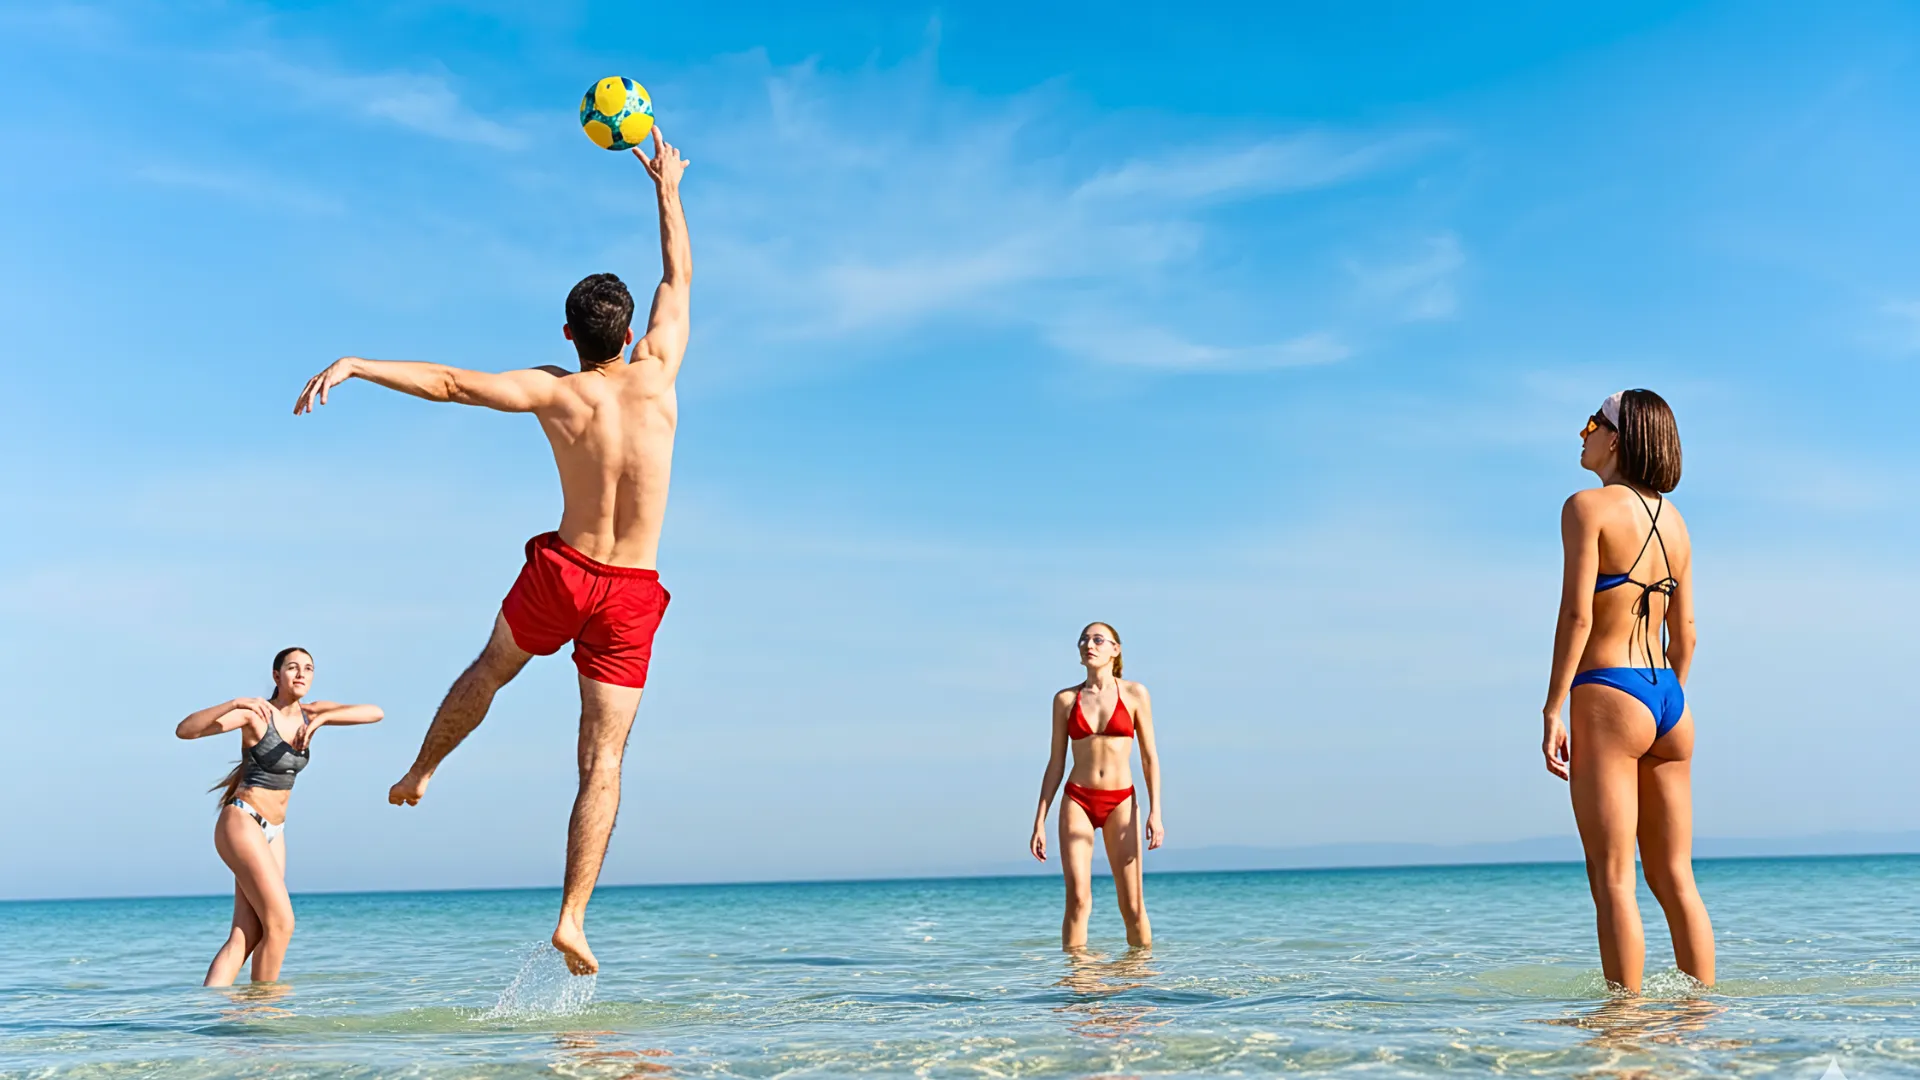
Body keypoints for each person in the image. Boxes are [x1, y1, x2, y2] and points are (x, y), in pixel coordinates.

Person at [291, 131, 692, 976]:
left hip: (565, 572)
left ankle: (422, 770)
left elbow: (450, 383)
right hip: (629, 591)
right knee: (604, 757)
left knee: (491, 669)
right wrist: (667, 187)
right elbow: (678, 277)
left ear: (568, 332)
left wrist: (359, 364)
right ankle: (573, 918)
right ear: (628, 331)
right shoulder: (658, 372)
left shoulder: (555, 391)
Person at [1540, 389, 1714, 994]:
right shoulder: (1678, 524)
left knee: (1613, 879)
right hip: (1669, 700)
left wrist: (1553, 706)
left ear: (1617, 438)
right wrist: (1663, 702)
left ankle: (1623, 1034)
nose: (1581, 433)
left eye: (1591, 423)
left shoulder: (1587, 508)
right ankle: (1700, 1022)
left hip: (1608, 690)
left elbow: (1576, 618)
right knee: (1677, 879)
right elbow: (1685, 635)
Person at [175, 647, 384, 985]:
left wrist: (323, 718)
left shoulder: (312, 713)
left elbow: (376, 713)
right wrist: (234, 704)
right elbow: (185, 730)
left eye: (309, 669)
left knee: (248, 933)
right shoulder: (256, 715)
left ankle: (212, 1013)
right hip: (242, 821)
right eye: (292, 668)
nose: (301, 674)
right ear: (277, 676)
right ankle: (264, 1011)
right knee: (281, 923)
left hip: (274, 831)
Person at [1029, 622, 1164, 950]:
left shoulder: (1134, 694)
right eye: (1084, 639)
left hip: (1121, 801)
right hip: (1078, 799)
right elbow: (1056, 763)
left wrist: (1155, 813)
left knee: (1131, 906)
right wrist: (1039, 822)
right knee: (1077, 900)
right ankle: (1078, 986)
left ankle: (1140, 983)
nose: (1089, 644)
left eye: (1098, 639)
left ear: (1115, 650)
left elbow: (1149, 757)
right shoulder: (1065, 700)